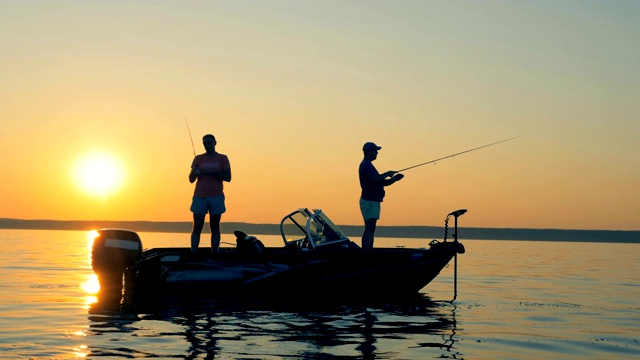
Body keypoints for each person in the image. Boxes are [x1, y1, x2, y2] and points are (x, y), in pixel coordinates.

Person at [188, 134, 232, 252]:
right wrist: (195, 172)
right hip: (199, 196)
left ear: (215, 143)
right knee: (197, 226)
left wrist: (213, 172)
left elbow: (228, 177)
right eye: (205, 144)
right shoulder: (198, 159)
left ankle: (214, 253)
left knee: (215, 226)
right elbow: (191, 179)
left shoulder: (223, 158)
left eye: (209, 143)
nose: (207, 145)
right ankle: (193, 253)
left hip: (216, 196)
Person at [358, 141, 404, 250]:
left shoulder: (369, 165)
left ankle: (369, 250)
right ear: (369, 152)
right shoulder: (366, 165)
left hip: (372, 200)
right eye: (375, 151)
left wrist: (393, 180)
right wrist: (387, 173)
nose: (377, 153)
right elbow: (375, 179)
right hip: (369, 201)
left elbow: (378, 182)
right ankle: (366, 252)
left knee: (371, 228)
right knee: (369, 228)